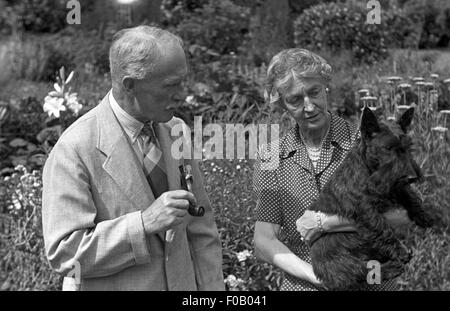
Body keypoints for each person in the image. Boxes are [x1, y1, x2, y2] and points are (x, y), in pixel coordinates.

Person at [42, 26, 224, 291]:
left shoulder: (176, 130)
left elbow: (201, 228)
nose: (183, 93)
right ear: (130, 84)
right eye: (171, 85)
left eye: (183, 81)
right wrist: (144, 224)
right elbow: (65, 254)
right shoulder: (74, 149)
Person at [253, 48, 411, 291]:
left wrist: (326, 222)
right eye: (295, 99)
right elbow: (264, 240)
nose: (309, 106)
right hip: (304, 283)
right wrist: (314, 276)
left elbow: (401, 216)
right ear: (282, 104)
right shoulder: (271, 156)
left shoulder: (367, 143)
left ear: (326, 86)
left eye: (314, 92)